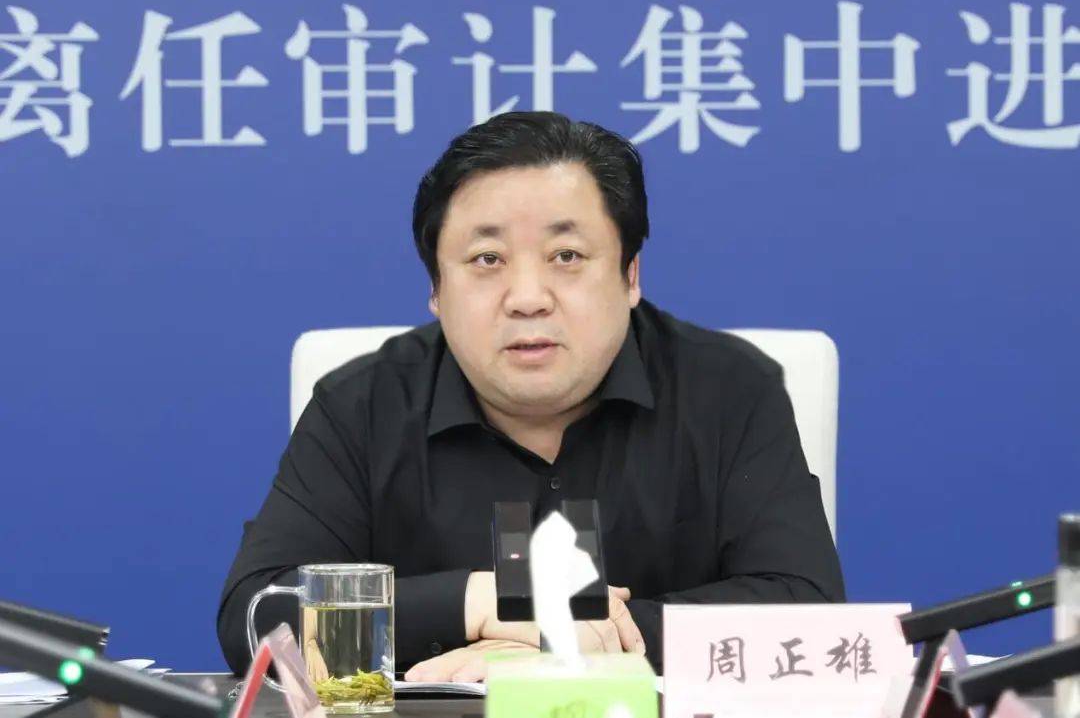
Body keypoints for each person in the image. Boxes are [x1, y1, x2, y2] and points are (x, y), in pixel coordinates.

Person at [217, 110, 845, 682]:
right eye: (487, 259)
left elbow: (807, 612)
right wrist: (475, 604)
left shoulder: (730, 391)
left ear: (630, 275)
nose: (527, 298)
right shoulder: (363, 405)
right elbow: (256, 618)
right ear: (436, 289)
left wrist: (571, 641)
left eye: (566, 255)